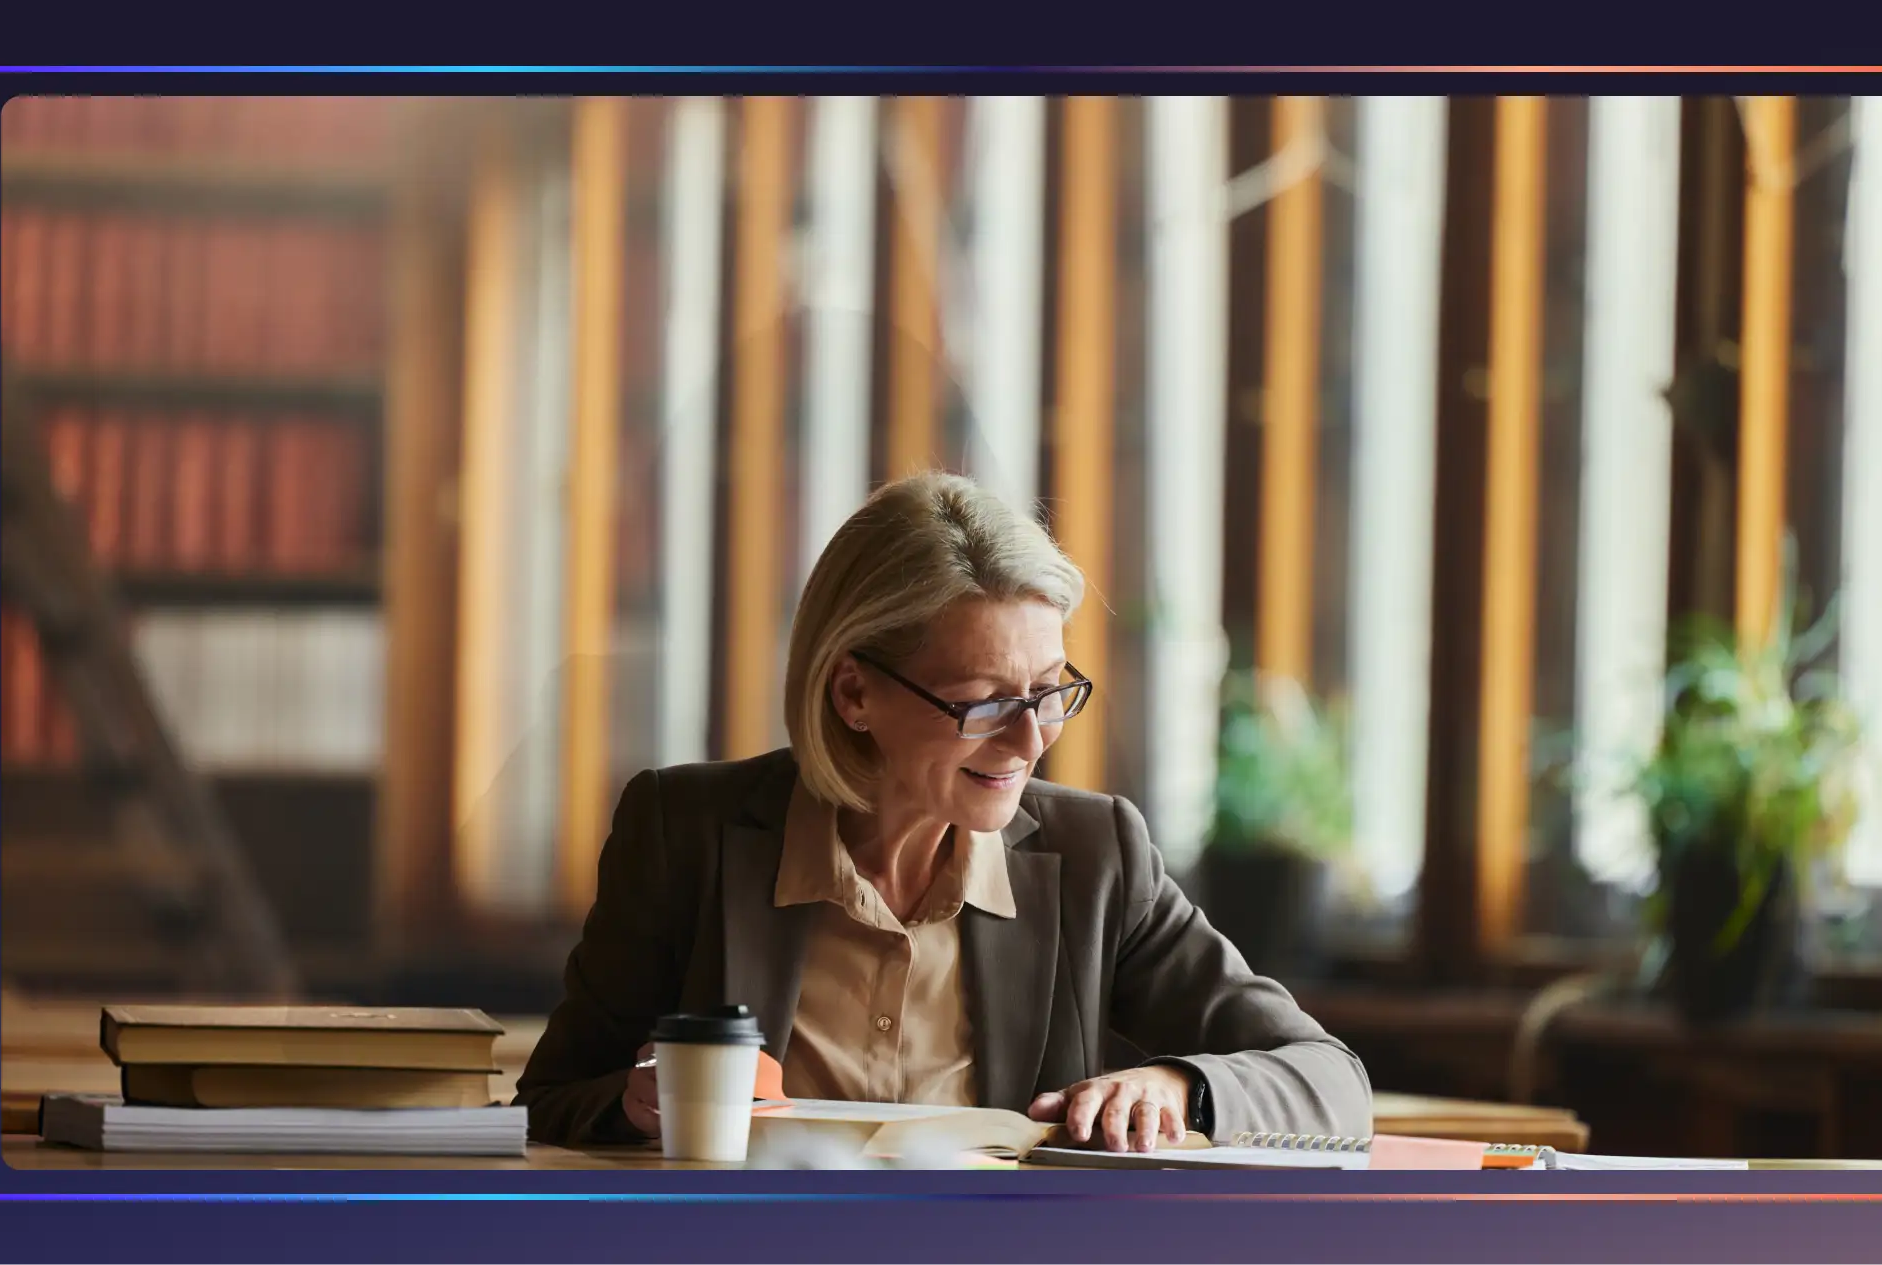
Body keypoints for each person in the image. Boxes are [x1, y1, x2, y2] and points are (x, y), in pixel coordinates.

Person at [516, 471, 1371, 1153]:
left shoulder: (1096, 854)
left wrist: (1179, 1084)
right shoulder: (686, 833)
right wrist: (637, 1105)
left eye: (1050, 693)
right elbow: (549, 1100)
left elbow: (1328, 1078)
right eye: (983, 704)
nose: (1031, 741)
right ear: (854, 692)